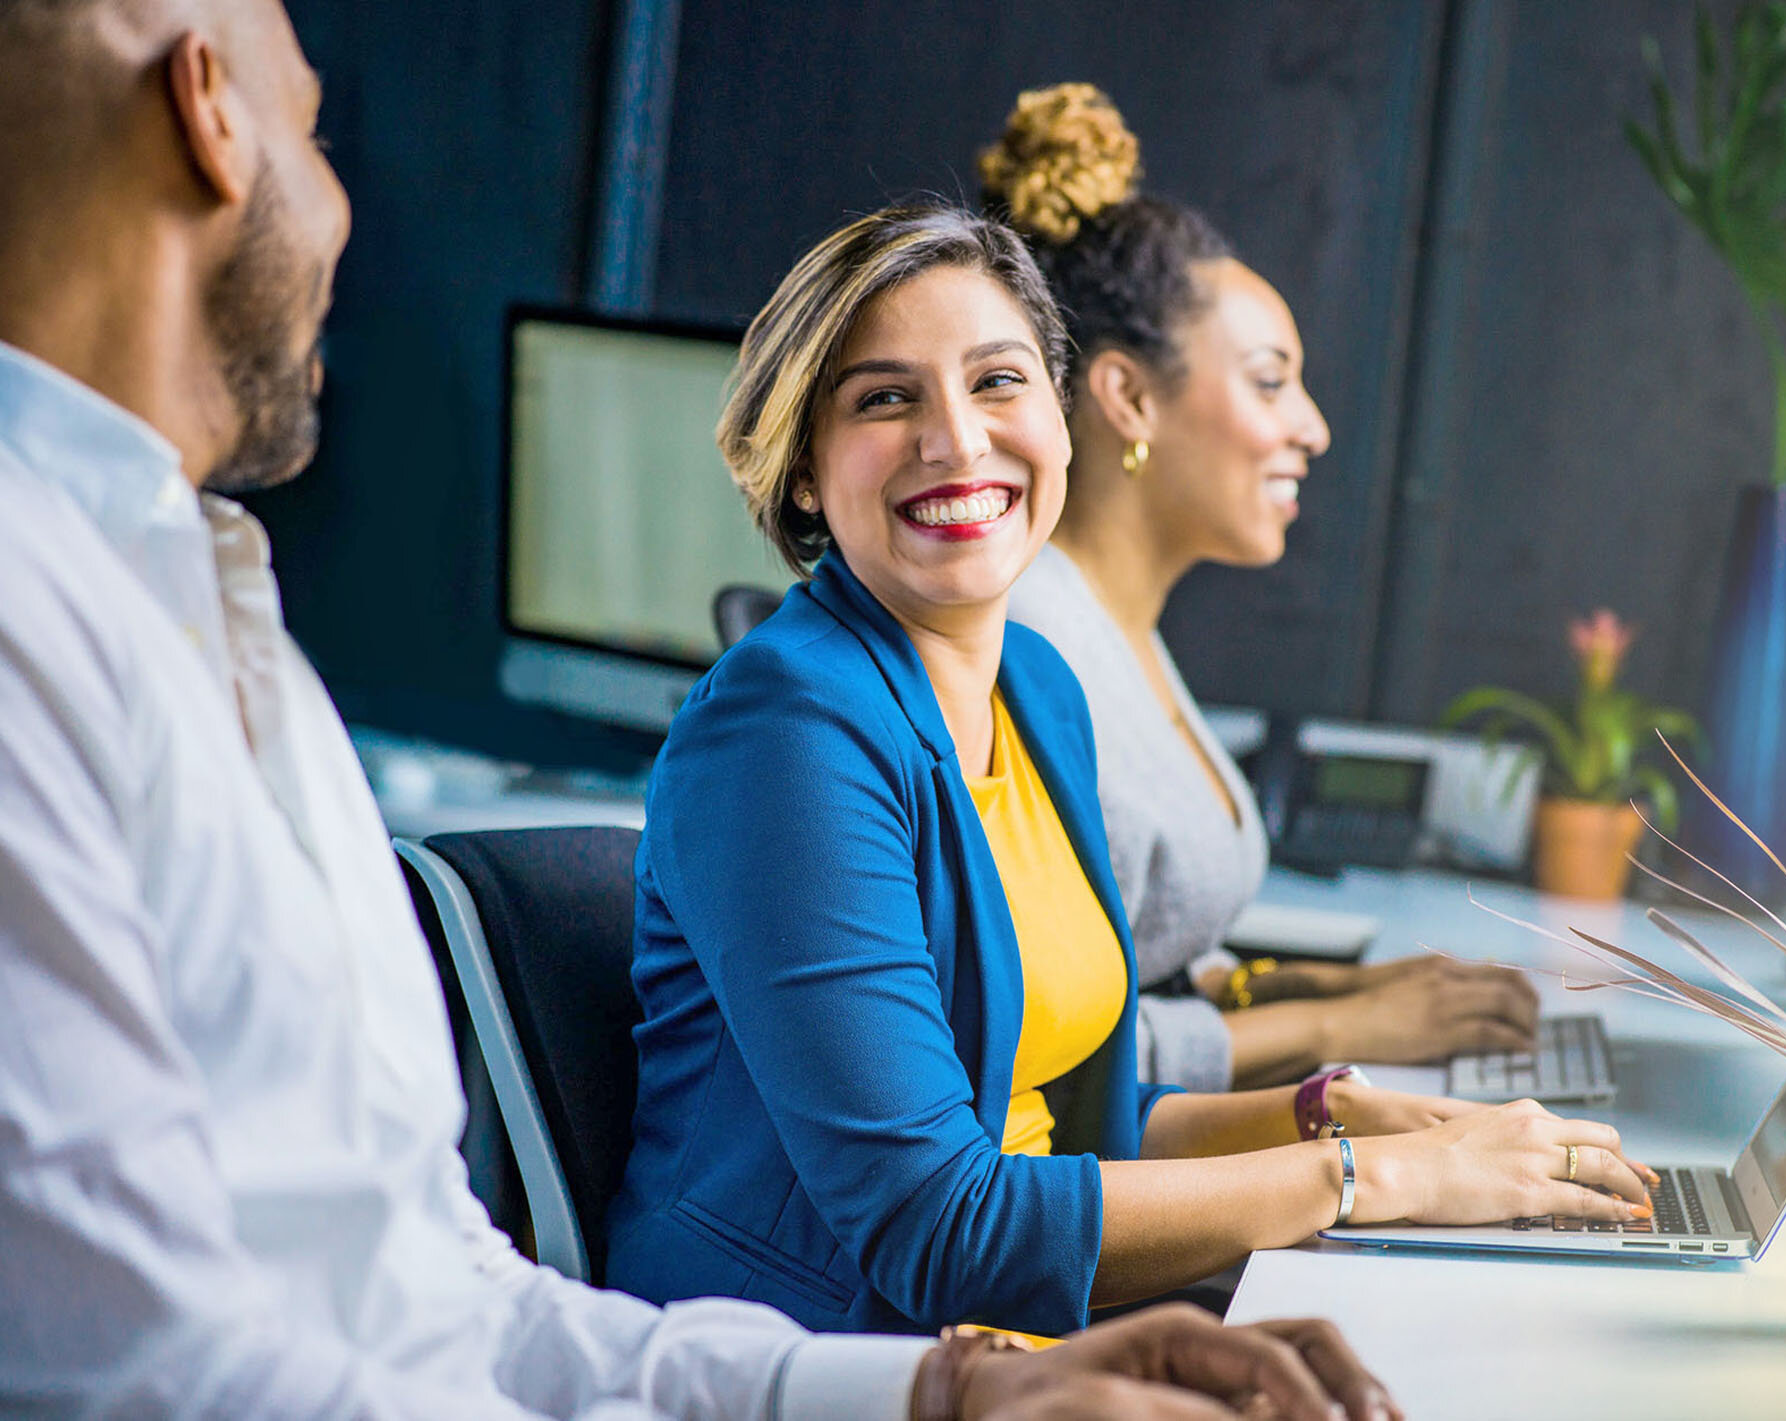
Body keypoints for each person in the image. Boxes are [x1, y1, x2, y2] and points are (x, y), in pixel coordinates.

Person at [0, 3, 1401, 1416]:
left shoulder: (214, 612)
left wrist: (950, 1398)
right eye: (314, 133)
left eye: (996, 383)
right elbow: (155, 1377)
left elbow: (439, 1292)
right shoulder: (39, 628)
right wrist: (1342, 1169)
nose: (347, 207)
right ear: (208, 112)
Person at [605, 199, 1657, 1342]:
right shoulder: (786, 730)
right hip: (820, 1357)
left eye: (998, 381)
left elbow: (1074, 1128)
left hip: (1022, 1340)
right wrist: (1373, 1176)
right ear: (804, 471)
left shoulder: (1039, 689)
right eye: (885, 397)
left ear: (1060, 420)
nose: (956, 438)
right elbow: (937, 1225)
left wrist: (1331, 1114)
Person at [992, 83, 1544, 1095]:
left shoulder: (1118, 630)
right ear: (1126, 395)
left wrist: (1323, 986)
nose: (1311, 426)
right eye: (1267, 379)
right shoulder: (1034, 651)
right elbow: (1049, 1057)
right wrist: (1340, 1021)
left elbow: (1141, 962)